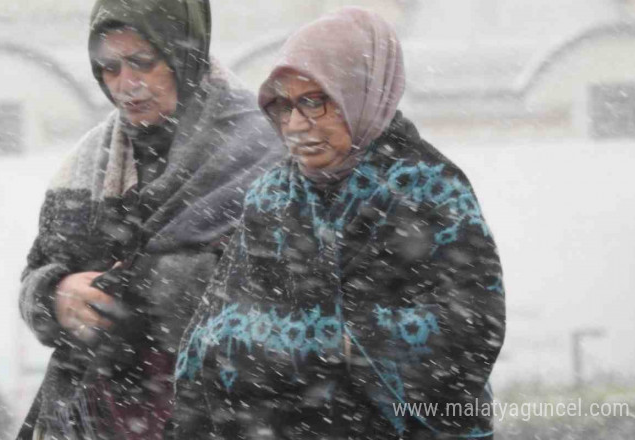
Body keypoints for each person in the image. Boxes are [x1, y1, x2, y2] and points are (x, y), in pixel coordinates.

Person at [172, 7, 506, 439]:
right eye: (282, 106)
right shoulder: (272, 196)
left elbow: (472, 328)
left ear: (360, 92)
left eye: (314, 101)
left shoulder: (430, 190)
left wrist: (334, 345)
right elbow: (212, 337)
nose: (294, 125)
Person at [15, 0, 283, 438]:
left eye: (143, 61)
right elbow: (38, 270)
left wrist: (154, 287)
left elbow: (285, 295)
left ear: (184, 53)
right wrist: (54, 296)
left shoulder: (262, 149)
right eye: (109, 67)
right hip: (99, 414)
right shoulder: (90, 162)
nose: (126, 84)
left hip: (224, 414)